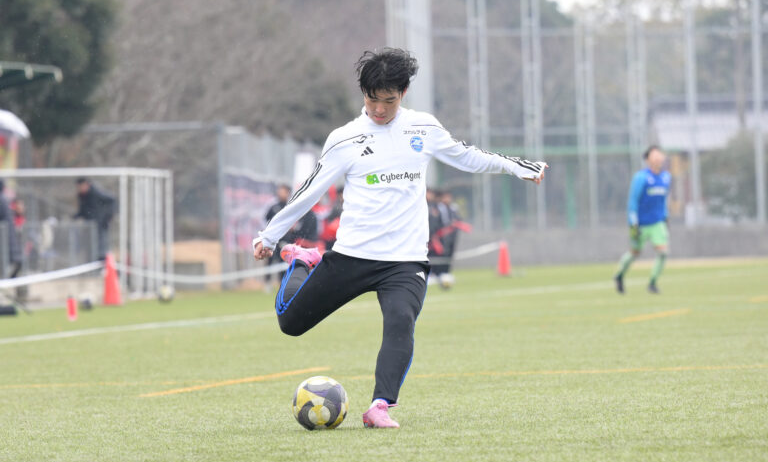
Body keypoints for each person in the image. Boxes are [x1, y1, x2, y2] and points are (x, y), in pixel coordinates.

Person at [253, 47, 547, 429]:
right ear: (363, 94)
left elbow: (468, 156)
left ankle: (380, 406)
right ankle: (302, 261)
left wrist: (518, 167)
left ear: (403, 93)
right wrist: (270, 235)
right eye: (372, 100)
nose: (379, 109)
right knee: (290, 323)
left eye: (388, 101)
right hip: (352, 255)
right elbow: (309, 191)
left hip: (405, 260)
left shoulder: (423, 129)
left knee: (400, 320)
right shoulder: (344, 139)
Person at [614, 145, 671, 294]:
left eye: (659, 154)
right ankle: (619, 275)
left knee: (663, 252)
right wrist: (633, 224)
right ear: (647, 159)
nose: (658, 157)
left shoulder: (666, 177)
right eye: (654, 155)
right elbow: (632, 202)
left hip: (657, 222)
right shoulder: (641, 177)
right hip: (640, 223)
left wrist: (665, 217)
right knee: (634, 253)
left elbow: (663, 201)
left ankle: (652, 282)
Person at [73, 178, 116, 260]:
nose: (80, 189)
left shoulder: (96, 193)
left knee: (100, 248)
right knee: (89, 248)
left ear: (86, 184)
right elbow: (83, 210)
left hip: (100, 224)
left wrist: (107, 217)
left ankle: (100, 262)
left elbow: (112, 200)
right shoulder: (82, 196)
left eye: (81, 186)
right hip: (89, 226)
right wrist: (76, 216)